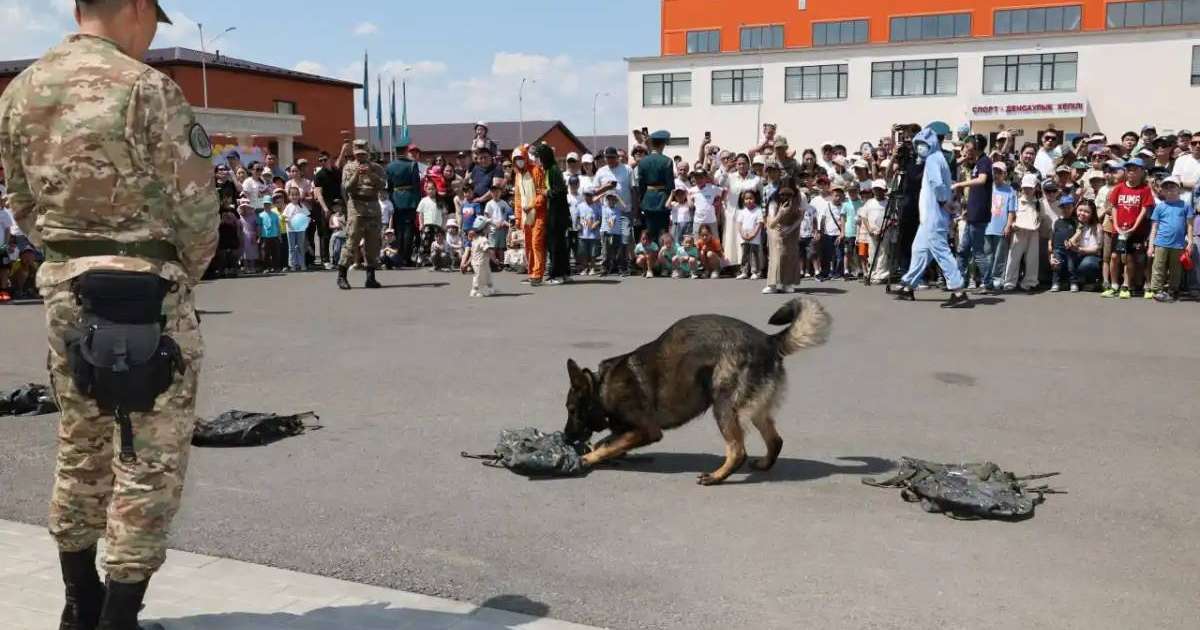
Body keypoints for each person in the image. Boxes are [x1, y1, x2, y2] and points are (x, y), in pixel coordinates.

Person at [0, 1, 218, 626]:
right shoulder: (148, 88)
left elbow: (21, 202)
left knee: (81, 446)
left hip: (67, 290)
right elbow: (197, 207)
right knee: (148, 462)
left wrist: (67, 255)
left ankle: (79, 604)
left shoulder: (22, 90)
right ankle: (119, 616)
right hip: (150, 292)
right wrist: (180, 270)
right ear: (137, 8)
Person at [894, 126, 971, 308]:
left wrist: (944, 201)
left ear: (932, 143)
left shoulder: (932, 160)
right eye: (918, 144)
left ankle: (958, 290)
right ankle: (908, 286)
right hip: (929, 215)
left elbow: (937, 184)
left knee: (941, 252)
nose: (920, 147)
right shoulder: (938, 158)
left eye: (923, 143)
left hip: (933, 215)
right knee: (919, 249)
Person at [338, 140, 387, 289]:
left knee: (373, 243)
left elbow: (382, 185)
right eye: (358, 154)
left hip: (372, 206)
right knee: (352, 241)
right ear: (353, 153)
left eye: (363, 154)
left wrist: (370, 174)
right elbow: (347, 187)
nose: (360, 157)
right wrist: (356, 175)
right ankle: (342, 275)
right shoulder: (348, 167)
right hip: (356, 207)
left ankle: (370, 277)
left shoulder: (376, 168)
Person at [1103, 158, 1155, 299]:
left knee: (1131, 258)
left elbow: (1144, 211)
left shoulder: (1145, 190)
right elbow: (1114, 207)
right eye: (1129, 170)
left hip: (1136, 231)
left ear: (1141, 172)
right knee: (1114, 257)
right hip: (1118, 230)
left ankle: (1126, 285)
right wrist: (1116, 226)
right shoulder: (1119, 188)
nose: (1131, 173)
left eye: (1135, 170)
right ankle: (1114, 285)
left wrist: (1133, 228)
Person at [952, 135, 994, 290]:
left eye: (968, 145)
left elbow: (982, 180)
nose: (966, 147)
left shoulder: (984, 161)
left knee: (977, 251)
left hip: (979, 214)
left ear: (976, 145)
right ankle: (958, 281)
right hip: (972, 213)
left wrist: (960, 184)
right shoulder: (977, 162)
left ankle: (987, 282)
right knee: (963, 250)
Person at [1147, 176, 1195, 301]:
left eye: (1172, 187)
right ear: (1162, 191)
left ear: (1179, 189)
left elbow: (1190, 226)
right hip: (1161, 242)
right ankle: (1157, 290)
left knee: (1176, 269)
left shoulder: (1185, 206)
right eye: (1166, 188)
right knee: (1158, 267)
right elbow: (1154, 228)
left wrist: (1190, 242)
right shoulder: (1160, 206)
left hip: (1178, 244)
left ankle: (1173, 290)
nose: (1169, 190)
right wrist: (1151, 245)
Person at [535, 142, 573, 285]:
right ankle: (564, 273)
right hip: (557, 212)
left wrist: (546, 192)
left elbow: (561, 190)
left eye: (538, 157)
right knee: (561, 244)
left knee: (554, 245)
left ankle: (556, 274)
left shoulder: (553, 170)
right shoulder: (550, 169)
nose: (537, 160)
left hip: (556, 213)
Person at [512, 145, 548, 285]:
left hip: (538, 213)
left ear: (525, 157)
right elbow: (518, 198)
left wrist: (532, 205)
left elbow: (542, 193)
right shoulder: (517, 175)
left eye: (521, 158)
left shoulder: (536, 171)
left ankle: (538, 274)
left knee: (536, 243)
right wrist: (518, 217)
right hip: (526, 215)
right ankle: (532, 272)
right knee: (528, 245)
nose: (519, 161)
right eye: (516, 159)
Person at [763, 177, 804, 294]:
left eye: (789, 193)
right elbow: (770, 223)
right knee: (777, 255)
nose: (785, 196)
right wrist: (780, 214)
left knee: (790, 254)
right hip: (776, 227)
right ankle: (772, 284)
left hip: (792, 227)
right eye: (783, 193)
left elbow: (801, 217)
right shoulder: (773, 200)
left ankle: (787, 283)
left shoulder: (801, 198)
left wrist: (790, 229)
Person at [1004, 174, 1042, 293]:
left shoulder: (1039, 203)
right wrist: (1013, 225)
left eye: (1030, 187)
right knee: (1014, 258)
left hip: (1033, 233)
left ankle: (1029, 283)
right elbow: (1010, 215)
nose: (1027, 190)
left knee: (1032, 258)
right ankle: (1009, 283)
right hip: (1018, 231)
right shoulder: (1017, 201)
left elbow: (1041, 218)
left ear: (1035, 187)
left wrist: (1038, 226)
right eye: (1025, 187)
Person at [386, 142, 422, 266]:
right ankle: (405, 257)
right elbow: (416, 186)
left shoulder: (390, 166)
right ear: (406, 150)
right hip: (410, 200)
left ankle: (398, 255)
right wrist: (418, 203)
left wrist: (391, 200)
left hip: (395, 200)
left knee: (398, 229)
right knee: (408, 229)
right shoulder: (412, 165)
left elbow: (389, 186)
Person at [983, 163, 1017, 293]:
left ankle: (997, 278)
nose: (996, 175)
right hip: (986, 226)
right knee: (987, 255)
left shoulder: (1010, 190)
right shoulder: (987, 187)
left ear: (1004, 174)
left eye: (999, 172)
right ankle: (986, 279)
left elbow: (1011, 211)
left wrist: (1008, 225)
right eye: (994, 172)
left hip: (1001, 227)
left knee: (999, 256)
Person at [637, 130, 675, 241]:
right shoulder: (667, 161)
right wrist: (669, 200)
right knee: (663, 233)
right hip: (663, 200)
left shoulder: (643, 161)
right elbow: (670, 185)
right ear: (664, 144)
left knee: (650, 233)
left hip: (648, 200)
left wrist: (643, 200)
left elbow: (641, 185)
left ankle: (651, 257)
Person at [1065, 199, 1104, 290]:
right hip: (1076, 255)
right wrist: (1078, 233)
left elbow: (1097, 248)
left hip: (1091, 257)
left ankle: (1091, 281)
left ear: (1092, 214)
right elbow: (1069, 244)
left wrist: (1080, 250)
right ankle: (1076, 280)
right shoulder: (1072, 223)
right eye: (1080, 210)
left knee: (1087, 263)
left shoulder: (1097, 227)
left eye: (1086, 212)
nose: (1082, 213)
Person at [1049, 194, 1078, 292]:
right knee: (1056, 266)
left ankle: (1073, 283)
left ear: (1073, 207)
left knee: (1071, 267)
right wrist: (1050, 248)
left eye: (1069, 207)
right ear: (1061, 208)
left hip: (1071, 249)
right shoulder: (1056, 221)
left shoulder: (1075, 222)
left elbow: (1078, 235)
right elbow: (1052, 235)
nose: (1066, 210)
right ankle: (1056, 283)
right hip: (1057, 249)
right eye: (1064, 207)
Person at [736, 189, 764, 280]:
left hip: (754, 236)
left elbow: (759, 223)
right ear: (743, 200)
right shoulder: (742, 211)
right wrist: (742, 234)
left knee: (754, 254)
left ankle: (755, 272)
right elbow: (739, 224)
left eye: (751, 198)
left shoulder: (758, 210)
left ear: (755, 199)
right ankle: (744, 271)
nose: (749, 200)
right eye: (746, 199)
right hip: (744, 236)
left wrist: (754, 234)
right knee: (745, 254)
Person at [485, 178, 512, 268]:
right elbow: (487, 216)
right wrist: (493, 223)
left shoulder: (504, 203)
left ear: (501, 192)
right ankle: (494, 263)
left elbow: (509, 213)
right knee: (492, 247)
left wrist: (504, 222)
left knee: (501, 247)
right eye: (493, 191)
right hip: (493, 229)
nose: (495, 193)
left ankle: (501, 263)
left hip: (502, 228)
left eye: (497, 191)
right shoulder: (489, 204)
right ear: (491, 193)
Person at [600, 191, 628, 276]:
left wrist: (618, 197)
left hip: (617, 233)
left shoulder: (618, 209)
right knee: (606, 252)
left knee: (619, 252)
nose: (610, 201)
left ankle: (621, 269)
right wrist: (604, 193)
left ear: (615, 200)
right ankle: (604, 269)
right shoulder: (604, 208)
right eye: (609, 199)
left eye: (612, 199)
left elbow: (625, 207)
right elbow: (597, 199)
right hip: (607, 233)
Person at [415, 181, 443, 267]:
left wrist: (443, 225)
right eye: (429, 189)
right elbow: (420, 214)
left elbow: (444, 213)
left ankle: (433, 259)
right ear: (426, 190)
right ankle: (421, 259)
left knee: (435, 242)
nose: (431, 190)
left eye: (433, 189)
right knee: (424, 242)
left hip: (437, 225)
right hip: (427, 224)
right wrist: (421, 224)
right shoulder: (424, 200)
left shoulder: (440, 200)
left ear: (436, 189)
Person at [283, 187, 310, 272]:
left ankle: (302, 264)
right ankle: (293, 265)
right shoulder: (288, 206)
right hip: (291, 229)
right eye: (292, 195)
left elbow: (307, 216)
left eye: (296, 194)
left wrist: (306, 223)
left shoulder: (302, 206)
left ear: (299, 196)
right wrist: (288, 220)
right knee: (291, 247)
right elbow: (284, 217)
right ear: (289, 196)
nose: (294, 196)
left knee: (300, 246)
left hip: (300, 230)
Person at [576, 186, 601, 276]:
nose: (588, 197)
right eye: (586, 195)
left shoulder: (597, 206)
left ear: (593, 195)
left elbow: (600, 218)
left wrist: (596, 223)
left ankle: (593, 268)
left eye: (590, 195)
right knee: (584, 253)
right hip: (583, 233)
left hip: (593, 234)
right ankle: (585, 268)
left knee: (593, 253)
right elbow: (578, 217)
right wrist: (578, 225)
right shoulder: (580, 206)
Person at [466, 225, 494, 297]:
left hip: (482, 262)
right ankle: (476, 290)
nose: (489, 228)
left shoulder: (479, 239)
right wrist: (466, 264)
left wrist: (494, 259)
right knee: (479, 277)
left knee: (487, 275)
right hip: (478, 263)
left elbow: (485, 250)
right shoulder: (478, 240)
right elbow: (474, 254)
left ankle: (489, 288)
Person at [328, 205, 347, 269]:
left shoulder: (344, 215)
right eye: (335, 207)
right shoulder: (332, 216)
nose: (337, 208)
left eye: (339, 207)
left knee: (343, 250)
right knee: (336, 250)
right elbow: (330, 225)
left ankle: (342, 263)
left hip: (344, 235)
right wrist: (335, 227)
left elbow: (348, 224)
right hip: (336, 235)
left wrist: (343, 223)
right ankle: (335, 262)